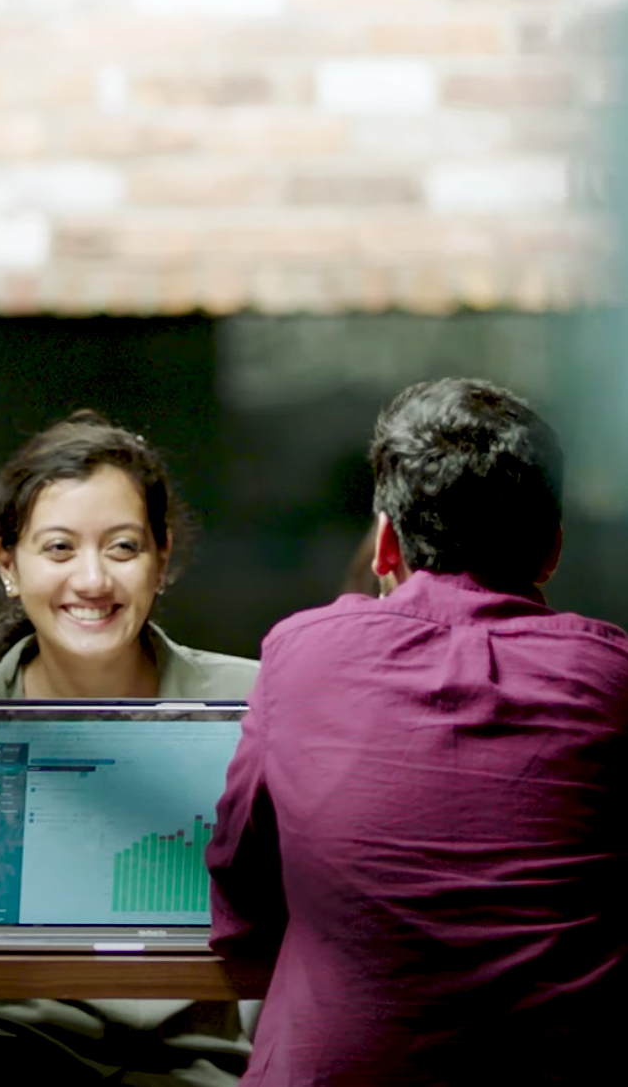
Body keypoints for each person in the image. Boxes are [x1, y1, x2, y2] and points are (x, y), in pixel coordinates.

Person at [205, 378, 628, 1086]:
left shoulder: (301, 654)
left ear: (383, 543)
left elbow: (239, 888)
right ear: (551, 550)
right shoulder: (614, 678)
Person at [0, 410, 260, 1087]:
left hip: (196, 1059)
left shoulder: (256, 702)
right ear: (7, 563)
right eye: (58, 549)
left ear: (162, 560)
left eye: (123, 548)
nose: (92, 580)